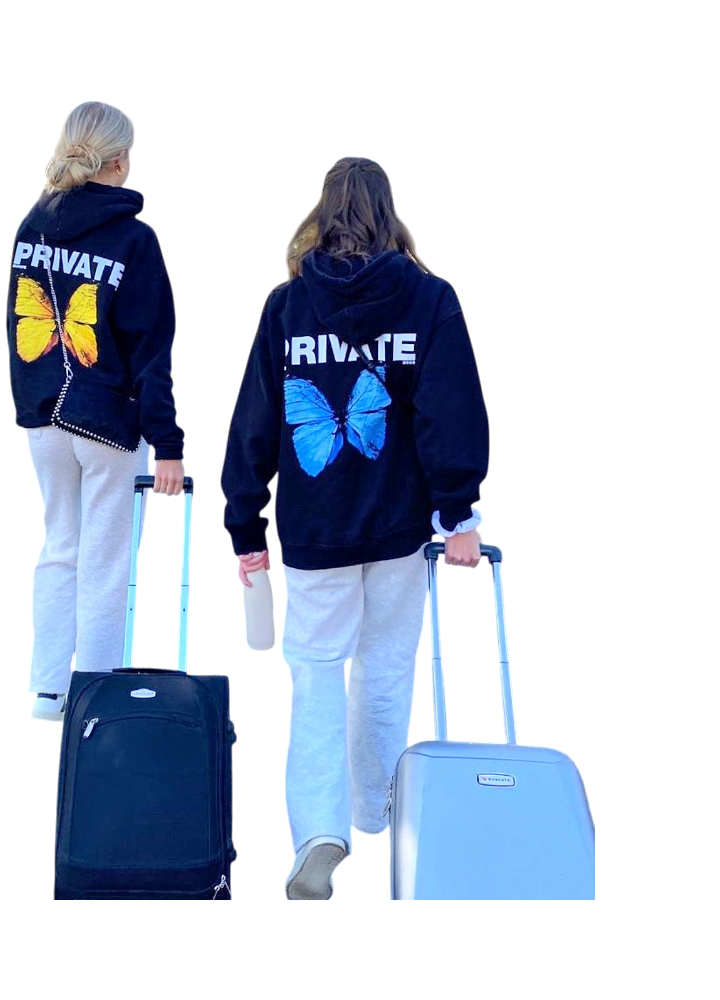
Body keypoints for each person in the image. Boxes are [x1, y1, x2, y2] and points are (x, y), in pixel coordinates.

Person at [222, 156, 489, 899]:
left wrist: (246, 528)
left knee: (313, 675)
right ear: (388, 215)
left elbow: (254, 423)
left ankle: (318, 834)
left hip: (313, 530)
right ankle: (376, 813)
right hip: (401, 528)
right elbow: (449, 412)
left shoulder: (286, 306)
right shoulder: (429, 298)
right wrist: (457, 515)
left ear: (322, 214)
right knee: (386, 668)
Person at [7, 101, 185, 722]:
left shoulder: (31, 224)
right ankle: (94, 693)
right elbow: (151, 348)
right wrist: (167, 443)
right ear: (120, 160)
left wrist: (32, 400)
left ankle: (48, 689)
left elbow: (19, 322)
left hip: (42, 415)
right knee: (107, 560)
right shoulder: (135, 239)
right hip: (109, 419)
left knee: (59, 545)